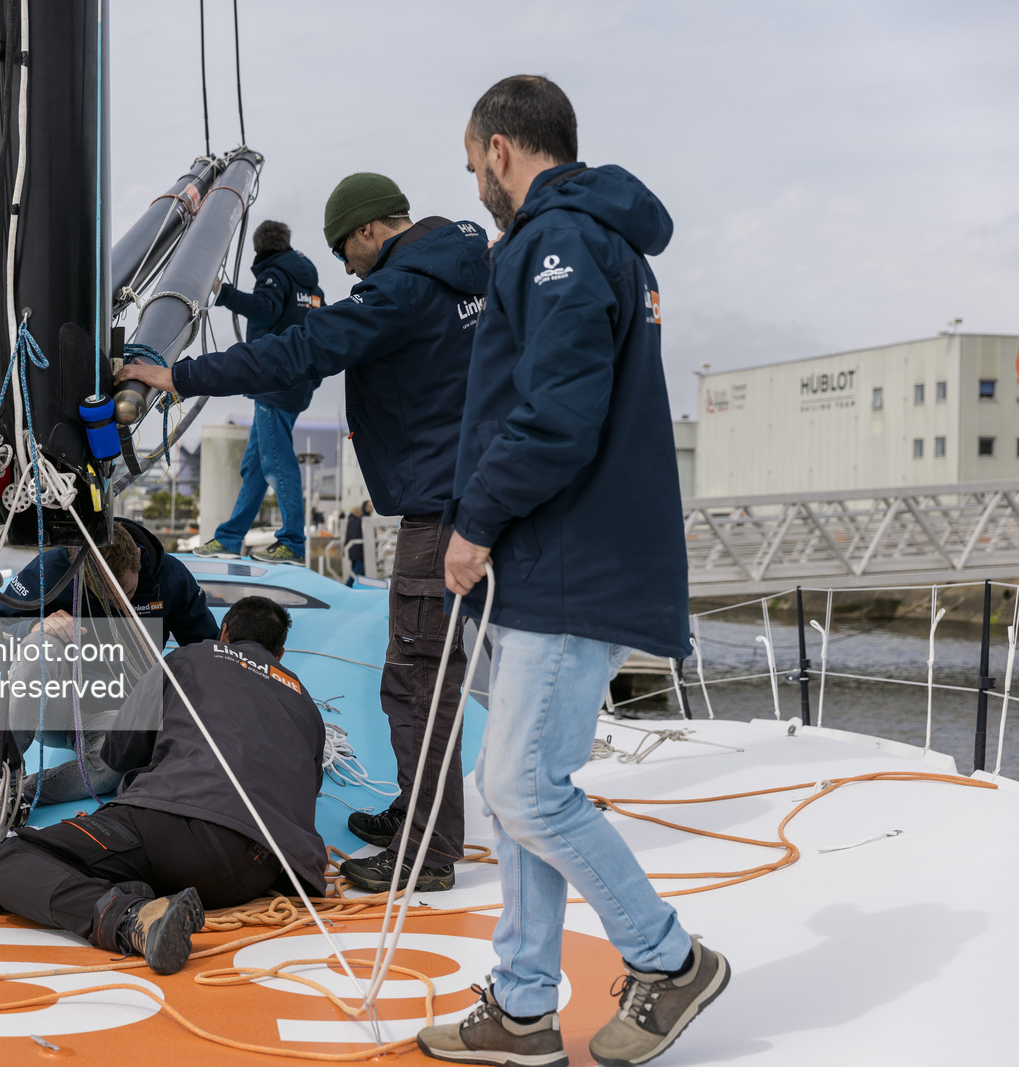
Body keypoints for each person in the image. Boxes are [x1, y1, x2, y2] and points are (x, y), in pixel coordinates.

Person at [418, 76, 729, 1067]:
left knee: (519, 781)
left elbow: (555, 413)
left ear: (501, 148)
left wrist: (472, 522)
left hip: (562, 554)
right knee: (511, 789)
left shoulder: (559, 244)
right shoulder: (590, 239)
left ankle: (666, 958)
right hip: (550, 554)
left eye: (473, 167)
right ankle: (519, 1009)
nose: (476, 185)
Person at [118, 173, 487, 894]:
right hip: (477, 494)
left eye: (347, 251)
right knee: (424, 674)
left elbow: (301, 349)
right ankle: (421, 813)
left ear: (370, 229)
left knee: (415, 680)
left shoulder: (403, 290)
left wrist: (177, 375)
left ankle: (427, 850)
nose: (347, 269)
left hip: (439, 505)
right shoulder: (478, 263)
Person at [0, 596, 326, 975]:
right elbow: (310, 785)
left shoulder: (192, 657)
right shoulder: (306, 701)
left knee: (5, 860)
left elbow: (117, 751)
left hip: (178, 827)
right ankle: (138, 892)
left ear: (224, 633)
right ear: (281, 652)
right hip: (264, 869)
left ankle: (132, 918)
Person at [0, 517, 219, 804]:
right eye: (106, 598)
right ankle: (3, 774)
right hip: (53, 703)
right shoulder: (50, 570)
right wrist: (33, 628)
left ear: (137, 557)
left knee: (113, 771)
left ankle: (24, 793)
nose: (119, 603)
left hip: (115, 711)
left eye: (126, 592)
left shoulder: (170, 577)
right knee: (39, 645)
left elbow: (205, 648)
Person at [194, 220, 325, 564]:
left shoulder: (274, 275)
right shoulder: (310, 285)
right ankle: (229, 537)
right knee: (255, 466)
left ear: (259, 248)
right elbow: (319, 332)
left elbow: (265, 309)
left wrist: (223, 294)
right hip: (298, 383)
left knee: (276, 462)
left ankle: (293, 542)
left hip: (273, 382)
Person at [344, 499, 372, 584]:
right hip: (359, 550)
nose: (372, 508)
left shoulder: (357, 518)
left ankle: (353, 588)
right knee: (356, 572)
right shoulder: (363, 518)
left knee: (358, 572)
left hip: (355, 549)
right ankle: (346, 587)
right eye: (369, 506)